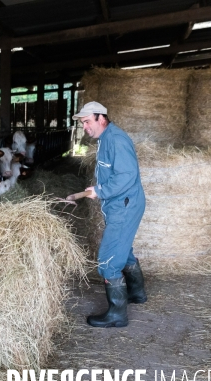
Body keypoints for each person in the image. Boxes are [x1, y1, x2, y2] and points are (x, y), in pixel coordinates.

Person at [72, 101, 147, 328]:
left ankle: (117, 314)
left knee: (108, 260)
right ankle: (136, 293)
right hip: (120, 204)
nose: (85, 127)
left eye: (87, 121)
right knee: (122, 249)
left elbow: (126, 175)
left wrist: (101, 190)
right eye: (83, 123)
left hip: (124, 205)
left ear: (101, 118)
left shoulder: (116, 140)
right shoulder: (105, 139)